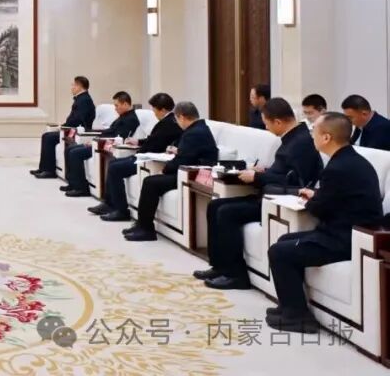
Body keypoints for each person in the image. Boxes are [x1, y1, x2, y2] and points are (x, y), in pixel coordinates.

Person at [267, 112, 383, 333]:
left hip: (344, 238)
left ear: (327, 137)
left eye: (314, 132)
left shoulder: (337, 168)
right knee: (284, 240)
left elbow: (321, 209)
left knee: (279, 252)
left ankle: (299, 317)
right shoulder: (351, 160)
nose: (312, 136)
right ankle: (289, 306)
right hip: (344, 231)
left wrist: (312, 201)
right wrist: (317, 196)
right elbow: (335, 198)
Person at [194, 99, 323, 290]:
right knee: (215, 205)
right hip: (269, 194)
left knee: (226, 212)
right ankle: (220, 266)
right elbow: (284, 172)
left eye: (267, 123)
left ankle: (236, 275)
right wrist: (263, 172)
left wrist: (257, 177)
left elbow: (295, 182)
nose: (266, 128)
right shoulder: (293, 139)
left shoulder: (300, 143)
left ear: (278, 122)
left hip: (279, 201)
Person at [124, 101, 218, 242]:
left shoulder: (193, 133)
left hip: (191, 175)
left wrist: (165, 170)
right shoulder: (199, 128)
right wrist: (177, 151)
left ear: (182, 117)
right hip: (189, 171)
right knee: (151, 181)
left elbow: (183, 160)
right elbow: (189, 154)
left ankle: (146, 229)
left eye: (176, 119)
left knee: (150, 182)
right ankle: (141, 225)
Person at [92, 92, 182, 221]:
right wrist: (138, 142)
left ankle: (121, 210)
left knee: (115, 168)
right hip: (144, 155)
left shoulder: (169, 123)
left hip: (149, 160)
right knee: (113, 164)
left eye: (154, 110)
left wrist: (141, 150)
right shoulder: (167, 121)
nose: (154, 113)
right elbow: (153, 140)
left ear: (162, 110)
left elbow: (156, 144)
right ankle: (109, 203)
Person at [61, 91, 140, 197]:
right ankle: (73, 183)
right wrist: (95, 138)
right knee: (70, 149)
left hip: (104, 146)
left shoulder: (131, 119)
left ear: (125, 104)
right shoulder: (123, 116)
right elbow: (110, 131)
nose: (115, 109)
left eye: (117, 105)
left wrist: (97, 141)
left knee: (75, 153)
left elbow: (119, 137)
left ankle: (81, 188)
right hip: (100, 142)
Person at [32, 76, 95, 179]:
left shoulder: (84, 100)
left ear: (80, 86)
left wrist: (64, 127)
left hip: (77, 132)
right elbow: (74, 119)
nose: (72, 87)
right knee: (46, 136)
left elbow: (78, 120)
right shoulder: (81, 99)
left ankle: (49, 171)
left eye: (74, 85)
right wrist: (63, 126)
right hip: (71, 129)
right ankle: (44, 168)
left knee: (48, 138)